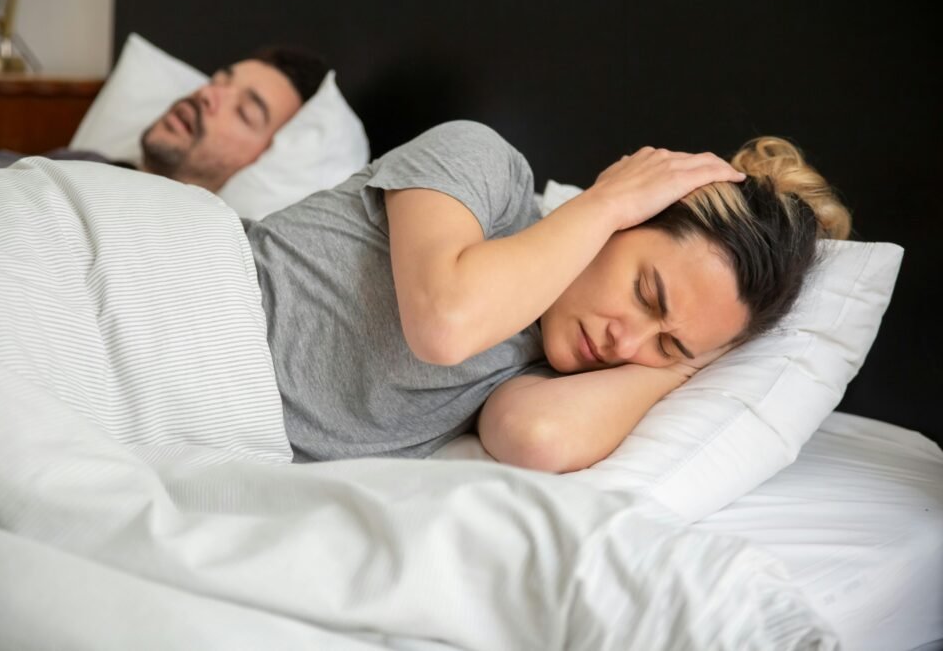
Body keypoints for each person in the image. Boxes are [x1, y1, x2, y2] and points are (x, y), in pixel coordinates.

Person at [243, 121, 851, 471]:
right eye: (646, 293)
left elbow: (537, 438)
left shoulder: (545, 371)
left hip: (195, 423)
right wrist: (605, 201)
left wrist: (685, 365)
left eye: (668, 342)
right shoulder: (484, 170)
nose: (627, 341)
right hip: (173, 291)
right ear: (626, 218)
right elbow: (445, 324)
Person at [0, 46, 328, 193]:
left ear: (266, 159)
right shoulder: (85, 161)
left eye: (244, 112)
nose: (208, 95)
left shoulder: (189, 240)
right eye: (218, 80)